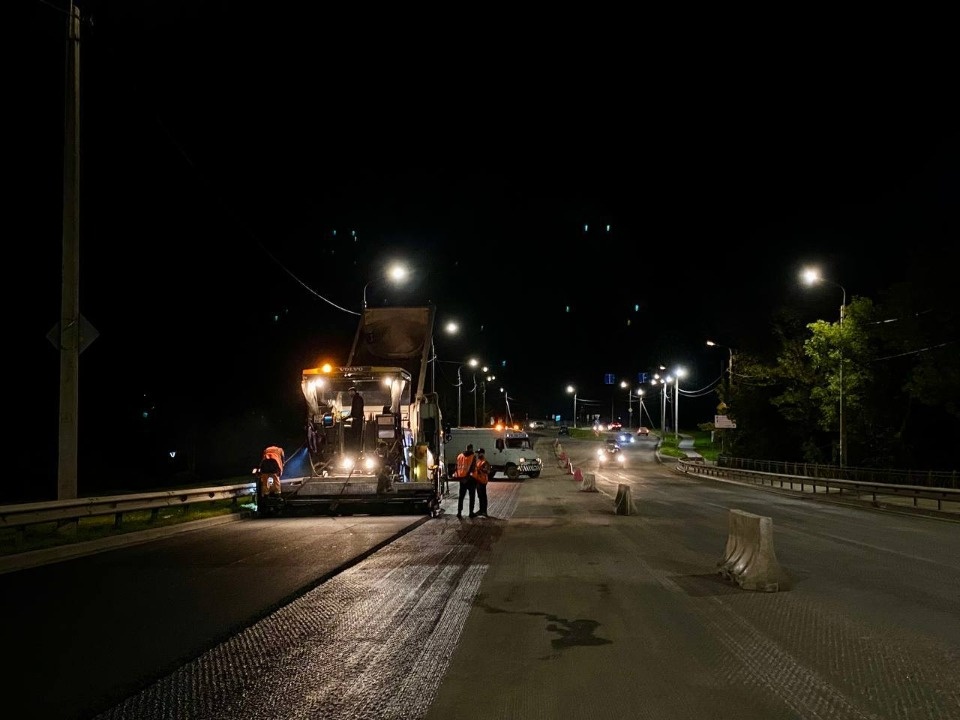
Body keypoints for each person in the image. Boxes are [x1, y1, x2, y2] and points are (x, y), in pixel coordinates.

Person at [455, 443, 478, 518]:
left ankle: (459, 512)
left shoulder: (460, 456)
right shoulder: (473, 456)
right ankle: (471, 512)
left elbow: (457, 467)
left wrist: (460, 478)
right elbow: (472, 468)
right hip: (470, 479)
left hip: (462, 479)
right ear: (471, 449)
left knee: (461, 497)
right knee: (472, 496)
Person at [472, 447, 491, 517]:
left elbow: (487, 471)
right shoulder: (478, 461)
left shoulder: (484, 462)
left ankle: (484, 511)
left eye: (479, 453)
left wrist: (481, 470)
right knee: (480, 496)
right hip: (478, 480)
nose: (478, 454)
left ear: (482, 453)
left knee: (483, 496)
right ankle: (481, 510)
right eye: (478, 453)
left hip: (482, 481)